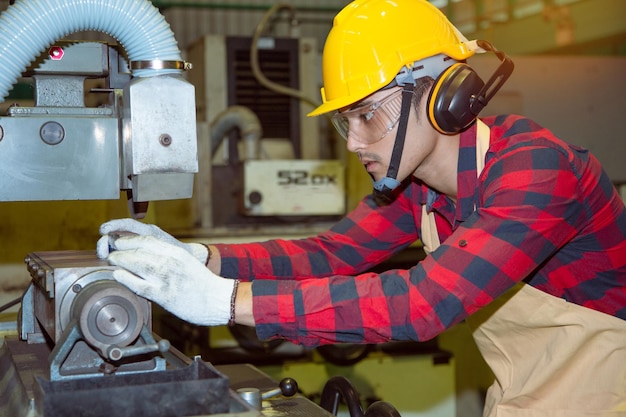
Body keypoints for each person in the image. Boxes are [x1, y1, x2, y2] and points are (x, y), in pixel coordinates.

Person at [97, 0, 626, 415]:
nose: (353, 142)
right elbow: (329, 253)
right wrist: (202, 259)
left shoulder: (538, 173)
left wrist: (226, 302)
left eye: (367, 115)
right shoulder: (418, 186)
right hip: (523, 399)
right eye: (344, 120)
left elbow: (421, 303)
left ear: (443, 95)